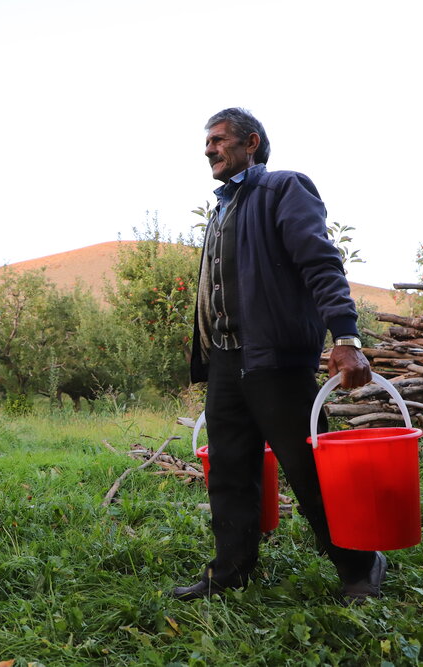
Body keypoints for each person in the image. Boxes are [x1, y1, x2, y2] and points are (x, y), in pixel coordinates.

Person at [171, 107, 386, 603]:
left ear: (251, 142)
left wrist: (346, 338)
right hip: (228, 361)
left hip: (274, 360)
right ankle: (232, 569)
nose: (209, 149)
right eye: (206, 142)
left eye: (219, 140)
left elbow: (321, 261)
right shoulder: (223, 208)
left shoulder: (282, 189)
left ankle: (361, 565)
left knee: (308, 469)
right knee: (228, 469)